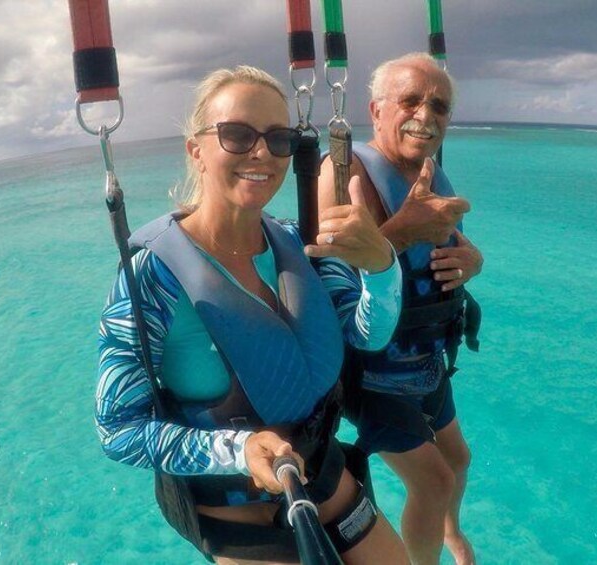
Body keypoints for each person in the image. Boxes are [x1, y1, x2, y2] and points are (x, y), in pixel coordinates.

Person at [95, 65, 409, 564]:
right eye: (237, 135)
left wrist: (380, 266)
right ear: (195, 149)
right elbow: (118, 428)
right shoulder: (153, 276)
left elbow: (367, 333)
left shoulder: (297, 243)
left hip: (324, 475)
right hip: (234, 511)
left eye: (278, 138)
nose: (262, 152)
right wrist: (237, 450)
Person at [318, 53, 483, 565]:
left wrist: (475, 260)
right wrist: (404, 227)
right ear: (376, 109)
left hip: (430, 359)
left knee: (458, 460)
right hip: (375, 372)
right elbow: (334, 275)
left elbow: (451, 247)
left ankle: (449, 532)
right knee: (432, 482)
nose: (426, 115)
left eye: (439, 106)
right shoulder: (345, 171)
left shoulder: (433, 174)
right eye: (411, 100)